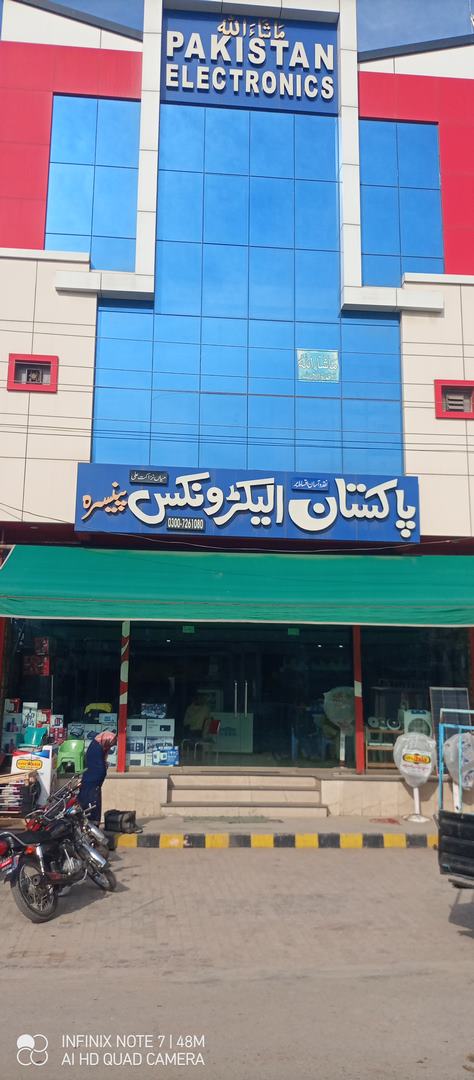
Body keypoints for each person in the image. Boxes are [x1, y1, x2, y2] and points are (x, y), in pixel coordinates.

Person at [78, 730, 117, 824]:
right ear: (105, 739)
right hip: (92, 781)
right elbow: (97, 766)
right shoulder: (96, 748)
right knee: (90, 799)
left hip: (93, 782)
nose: (110, 746)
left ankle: (93, 821)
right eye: (110, 743)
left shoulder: (100, 746)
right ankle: (91, 821)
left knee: (92, 799)